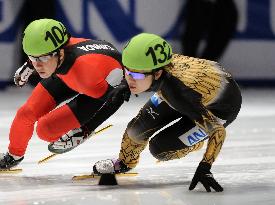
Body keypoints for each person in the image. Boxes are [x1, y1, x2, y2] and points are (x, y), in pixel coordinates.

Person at [93, 33, 242, 192]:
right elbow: (137, 72)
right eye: (126, 72)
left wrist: (205, 167)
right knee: (136, 129)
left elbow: (218, 131)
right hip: (188, 92)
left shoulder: (179, 93)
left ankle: (195, 143)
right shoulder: (158, 70)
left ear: (157, 73)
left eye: (136, 75)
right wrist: (128, 80)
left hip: (220, 108)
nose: (129, 79)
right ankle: (124, 163)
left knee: (161, 149)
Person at [0, 19, 130, 170]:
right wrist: (29, 65)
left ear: (60, 53)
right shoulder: (55, 53)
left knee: (45, 130)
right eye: (33, 57)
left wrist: (86, 129)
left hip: (99, 78)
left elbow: (116, 99)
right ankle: (13, 156)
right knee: (25, 113)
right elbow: (41, 54)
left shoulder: (87, 75)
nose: (38, 65)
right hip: (70, 69)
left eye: (42, 58)